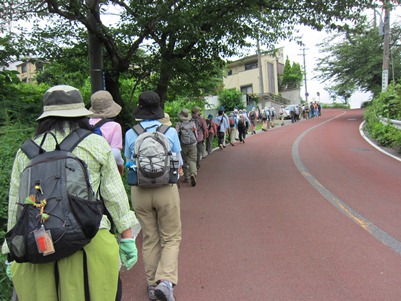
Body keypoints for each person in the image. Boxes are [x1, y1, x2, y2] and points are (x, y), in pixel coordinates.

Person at [3, 85, 138, 301]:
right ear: (80, 115)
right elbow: (115, 197)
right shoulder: (96, 144)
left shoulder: (24, 152)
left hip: (39, 248)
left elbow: (15, 207)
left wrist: (10, 252)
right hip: (90, 241)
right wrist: (127, 239)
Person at [125, 91, 182, 301]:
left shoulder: (131, 133)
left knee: (150, 238)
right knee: (171, 237)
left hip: (140, 190)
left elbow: (129, 161)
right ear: (158, 109)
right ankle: (165, 281)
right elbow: (179, 164)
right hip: (166, 188)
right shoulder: (170, 131)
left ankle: (151, 284)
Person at [89, 90, 125, 174]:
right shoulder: (115, 126)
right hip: (105, 169)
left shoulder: (85, 123)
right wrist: (121, 164)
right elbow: (115, 154)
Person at [176, 108, 198, 187]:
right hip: (192, 144)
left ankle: (187, 177)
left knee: (184, 161)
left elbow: (176, 134)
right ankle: (193, 173)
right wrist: (196, 141)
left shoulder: (179, 124)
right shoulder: (192, 123)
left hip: (183, 144)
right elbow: (196, 133)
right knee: (192, 160)